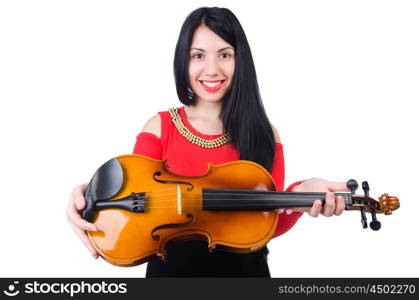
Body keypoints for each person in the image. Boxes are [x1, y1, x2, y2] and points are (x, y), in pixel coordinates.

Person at [66, 7, 349, 277]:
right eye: (198, 56)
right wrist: (89, 198)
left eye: (224, 55)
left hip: (246, 277)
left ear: (241, 60)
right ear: (183, 61)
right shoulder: (160, 127)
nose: (212, 69)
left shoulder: (265, 133)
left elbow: (266, 224)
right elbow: (131, 200)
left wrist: (300, 195)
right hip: (170, 276)